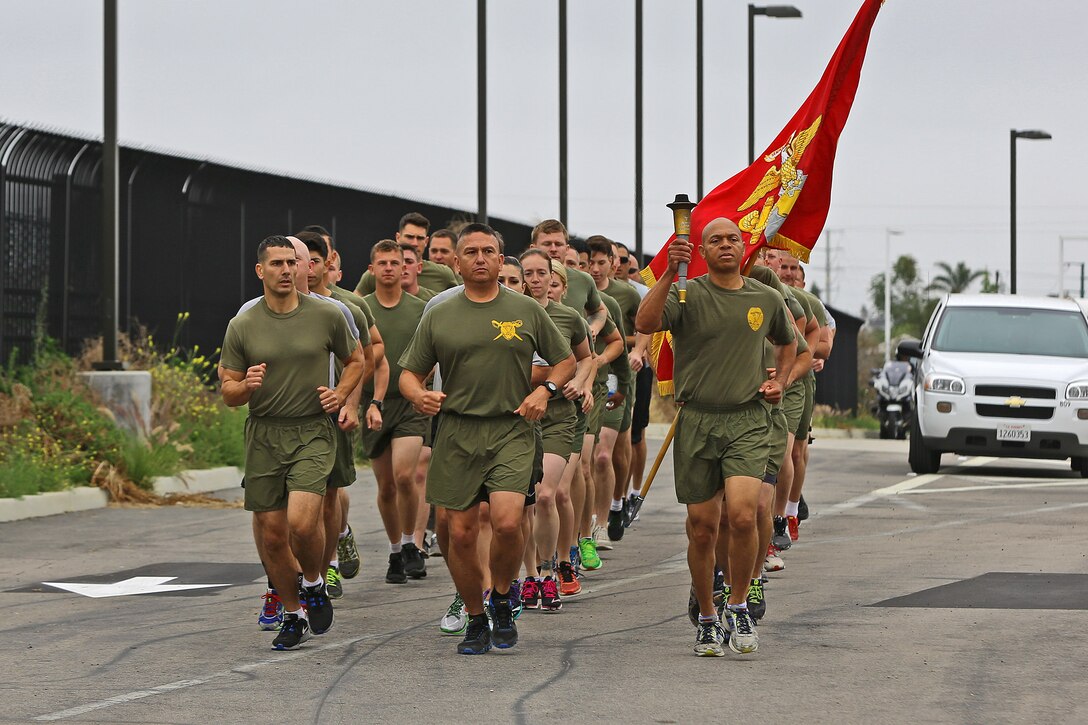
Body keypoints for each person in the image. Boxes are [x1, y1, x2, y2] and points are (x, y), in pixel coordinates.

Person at [400, 223, 575, 655]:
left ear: (501, 259)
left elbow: (565, 361)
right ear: (456, 262)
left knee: (508, 520)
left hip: (512, 428)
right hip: (457, 430)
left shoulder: (527, 309)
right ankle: (476, 617)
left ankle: (501, 596)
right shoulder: (439, 313)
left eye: (489, 251)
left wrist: (544, 391)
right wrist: (419, 395)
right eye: (471, 252)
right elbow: (409, 372)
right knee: (457, 535)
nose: (480, 258)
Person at [636, 218, 795, 657]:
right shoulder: (687, 294)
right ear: (703, 250)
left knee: (743, 517)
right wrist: (670, 272)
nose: (726, 245)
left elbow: (789, 343)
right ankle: (708, 615)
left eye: (732, 239)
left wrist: (778, 380)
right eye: (715, 240)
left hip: (747, 420)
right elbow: (645, 320)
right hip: (698, 421)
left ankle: (740, 604)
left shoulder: (765, 297)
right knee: (703, 529)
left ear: (743, 247)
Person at [220, 235, 365, 650]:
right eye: (277, 263)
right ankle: (293, 612)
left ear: (302, 268)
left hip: (312, 430)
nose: (286, 270)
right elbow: (228, 391)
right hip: (264, 432)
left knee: (303, 523)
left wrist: (341, 394)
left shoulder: (327, 314)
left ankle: (315, 582)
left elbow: (357, 359)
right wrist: (244, 386)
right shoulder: (243, 325)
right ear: (260, 271)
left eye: (291, 262)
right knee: (271, 535)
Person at [297, 232, 375, 602]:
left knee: (329, 494)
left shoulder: (345, 309)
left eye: (315, 260)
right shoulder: (270, 308)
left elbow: (362, 360)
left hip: (330, 415)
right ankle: (309, 564)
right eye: (301, 260)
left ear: (329, 263)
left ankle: (327, 564)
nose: (307, 268)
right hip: (289, 419)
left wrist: (349, 402)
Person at [519, 250, 596, 605]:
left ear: (553, 278)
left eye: (541, 274)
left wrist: (580, 382)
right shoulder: (509, 315)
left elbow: (586, 360)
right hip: (518, 416)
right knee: (523, 502)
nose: (536, 280)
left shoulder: (567, 318)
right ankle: (529, 576)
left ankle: (550, 570)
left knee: (547, 494)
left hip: (558, 416)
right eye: (529, 274)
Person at [361, 240, 431, 584]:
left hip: (409, 404)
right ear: (372, 269)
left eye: (395, 263)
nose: (389, 268)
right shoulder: (360, 309)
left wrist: (420, 385)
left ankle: (410, 545)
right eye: (382, 263)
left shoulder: (420, 309)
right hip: (372, 402)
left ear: (406, 269)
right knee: (386, 486)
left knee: (406, 475)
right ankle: (393, 550)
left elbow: (432, 353)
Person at [585, 237, 636, 545]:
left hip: (610, 382)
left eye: (600, 262)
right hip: (574, 388)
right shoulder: (571, 295)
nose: (594, 268)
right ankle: (587, 520)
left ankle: (603, 521)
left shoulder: (618, 299)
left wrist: (638, 353)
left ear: (612, 264)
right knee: (585, 461)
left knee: (604, 457)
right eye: (588, 262)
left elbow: (642, 328)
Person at [355, 213, 459, 295]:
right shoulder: (379, 272)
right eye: (409, 237)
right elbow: (355, 304)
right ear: (398, 238)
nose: (414, 243)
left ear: (426, 241)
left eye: (420, 238)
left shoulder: (443, 274)